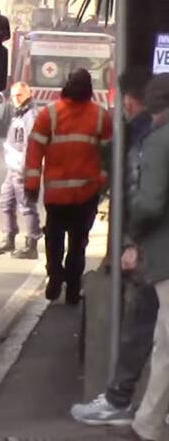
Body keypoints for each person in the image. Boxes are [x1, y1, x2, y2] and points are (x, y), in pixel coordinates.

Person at [71, 70, 156, 426]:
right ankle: (139, 413)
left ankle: (126, 405)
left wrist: (131, 241)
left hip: (157, 253)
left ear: (132, 102)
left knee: (147, 328)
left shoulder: (149, 137)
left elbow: (147, 198)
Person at [25, 68, 112, 304]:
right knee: (77, 244)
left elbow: (35, 151)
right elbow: (108, 156)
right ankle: (72, 287)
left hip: (58, 196)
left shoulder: (50, 114)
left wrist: (31, 184)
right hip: (85, 195)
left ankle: (56, 276)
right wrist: (102, 184)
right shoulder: (101, 116)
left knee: (55, 239)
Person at [124, 75, 169, 441]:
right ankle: (149, 423)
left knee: (167, 343)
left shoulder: (158, 141)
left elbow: (151, 203)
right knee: (164, 344)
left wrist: (132, 229)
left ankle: (150, 424)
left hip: (166, 256)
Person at [0, 82, 43, 259]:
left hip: (22, 168)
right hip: (13, 167)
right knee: (6, 202)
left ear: (28, 94)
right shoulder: (19, 113)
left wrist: (26, 167)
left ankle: (31, 244)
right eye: (13, 96)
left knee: (26, 205)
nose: (15, 99)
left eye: (19, 95)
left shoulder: (30, 115)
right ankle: (8, 238)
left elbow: (31, 142)